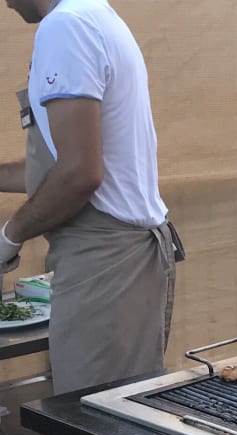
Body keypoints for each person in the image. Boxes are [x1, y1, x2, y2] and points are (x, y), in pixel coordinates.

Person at [0, 0, 179, 395]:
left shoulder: (65, 27)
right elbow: (65, 164)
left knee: (95, 419)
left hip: (106, 263)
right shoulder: (93, 16)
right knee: (116, 411)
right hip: (123, 260)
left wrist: (9, 236)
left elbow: (79, 175)